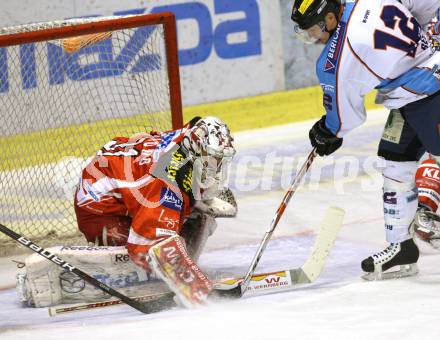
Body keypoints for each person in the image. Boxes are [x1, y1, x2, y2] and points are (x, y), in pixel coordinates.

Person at [290, 0, 440, 279]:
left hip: (430, 94)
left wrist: (328, 131)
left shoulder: (338, 56)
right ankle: (401, 248)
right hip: (410, 96)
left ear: (331, 18)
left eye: (312, 30)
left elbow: (346, 118)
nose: (312, 38)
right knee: (395, 161)